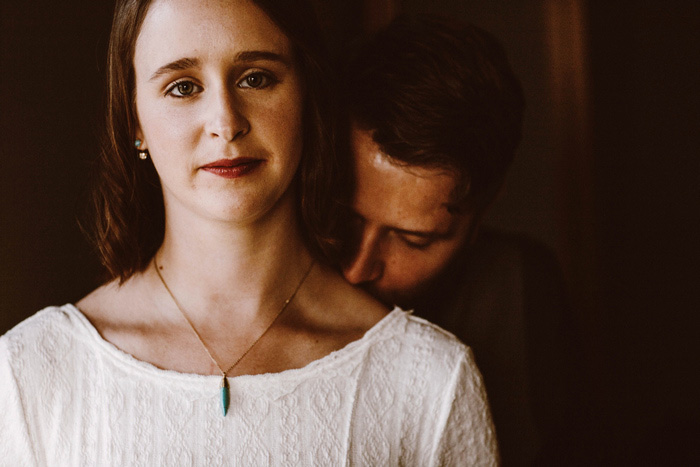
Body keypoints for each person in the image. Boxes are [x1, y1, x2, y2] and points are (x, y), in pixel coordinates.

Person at [0, 1, 498, 464]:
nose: (226, 121)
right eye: (183, 86)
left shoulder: (428, 381)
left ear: (307, 95)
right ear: (135, 120)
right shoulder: (31, 373)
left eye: (256, 78)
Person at [341, 16, 582, 465]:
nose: (356, 268)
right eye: (344, 219)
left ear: (485, 210)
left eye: (412, 239)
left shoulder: (525, 290)